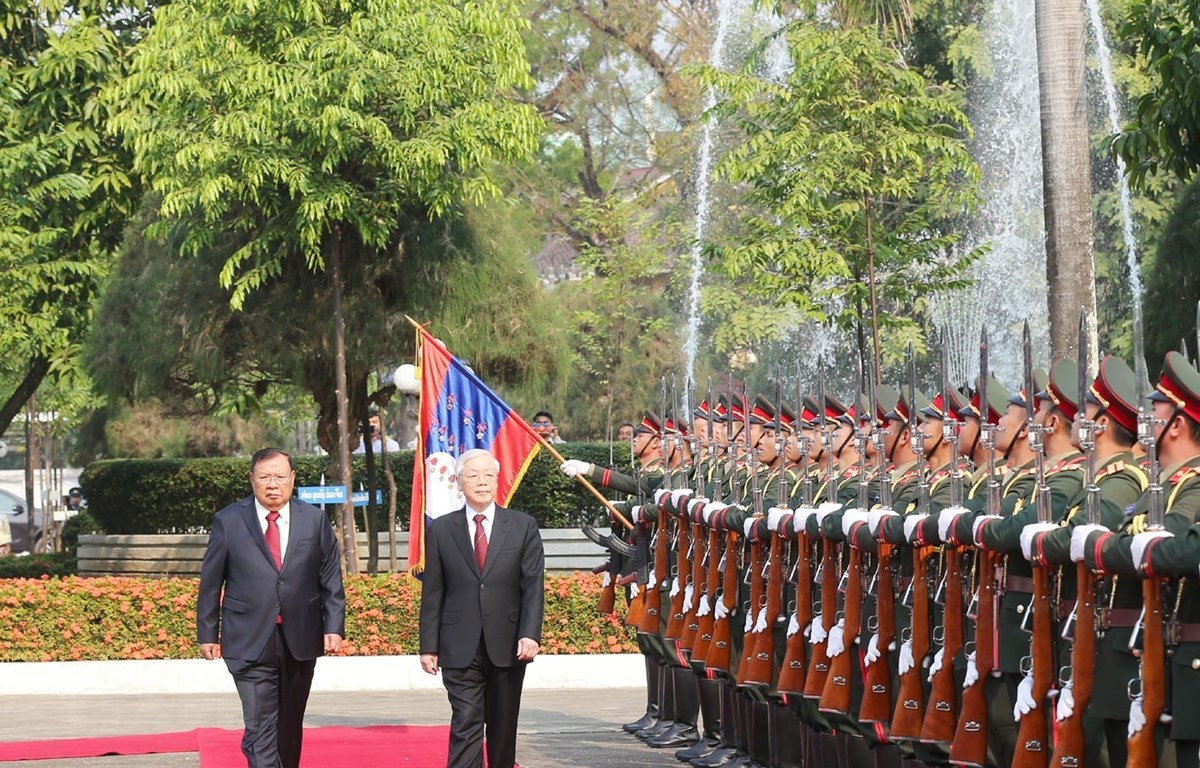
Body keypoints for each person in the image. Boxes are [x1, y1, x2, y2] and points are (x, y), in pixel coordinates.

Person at [197, 448, 346, 768]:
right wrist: (208, 633)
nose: (273, 484)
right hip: (248, 637)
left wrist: (333, 625)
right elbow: (211, 582)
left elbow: (330, 577)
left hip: (301, 636)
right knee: (260, 722)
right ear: (252, 480)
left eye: (280, 476)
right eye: (264, 477)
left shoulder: (315, 520)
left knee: (289, 724)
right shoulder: (228, 521)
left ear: (293, 479)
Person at [419, 449, 546, 768]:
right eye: (473, 475)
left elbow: (532, 586)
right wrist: (428, 646)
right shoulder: (441, 529)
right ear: (459, 483)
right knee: (466, 722)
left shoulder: (522, 526)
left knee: (503, 729)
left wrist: (530, 635)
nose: (481, 482)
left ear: (497, 480)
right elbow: (433, 591)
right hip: (458, 643)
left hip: (508, 643)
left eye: (488, 475)